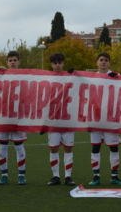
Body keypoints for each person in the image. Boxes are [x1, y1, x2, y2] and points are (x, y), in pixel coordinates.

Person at [89, 52, 121, 186]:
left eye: (106, 60)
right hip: (96, 117)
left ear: (109, 63)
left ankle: (114, 177)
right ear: (97, 63)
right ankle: (96, 176)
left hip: (112, 117)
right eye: (101, 60)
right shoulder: (91, 77)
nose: (103, 62)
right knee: (95, 147)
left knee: (114, 148)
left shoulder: (117, 76)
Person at [0, 51, 27, 185]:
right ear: (7, 62)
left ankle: (21, 175)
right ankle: (4, 175)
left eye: (15, 60)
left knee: (19, 146)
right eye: (10, 60)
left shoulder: (26, 76)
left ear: (19, 61)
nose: (12, 62)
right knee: (3, 146)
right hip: (3, 116)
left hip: (18, 116)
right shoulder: (1, 75)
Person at [46, 52, 75, 186]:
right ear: (51, 65)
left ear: (63, 63)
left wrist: (76, 73)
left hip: (68, 119)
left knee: (68, 149)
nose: (57, 65)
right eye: (55, 63)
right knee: (54, 149)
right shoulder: (47, 78)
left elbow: (89, 81)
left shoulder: (70, 77)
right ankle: (55, 176)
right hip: (53, 119)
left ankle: (68, 177)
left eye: (59, 62)